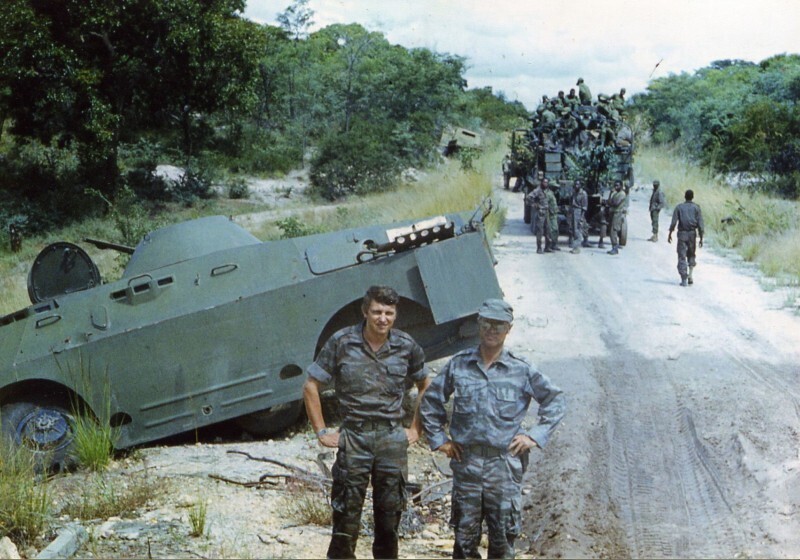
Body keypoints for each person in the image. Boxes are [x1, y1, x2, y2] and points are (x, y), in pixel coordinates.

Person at [420, 299, 566, 560]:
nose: (492, 329)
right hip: (467, 462)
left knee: (502, 539)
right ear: (478, 325)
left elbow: (555, 400)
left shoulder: (521, 368)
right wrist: (440, 440)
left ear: (509, 328)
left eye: (499, 324)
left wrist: (534, 435)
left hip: (504, 464)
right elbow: (431, 401)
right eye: (487, 323)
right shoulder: (459, 364)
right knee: (464, 539)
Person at [303, 285, 430, 559]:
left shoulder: (406, 345)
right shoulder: (342, 341)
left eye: (388, 312)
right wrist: (321, 430)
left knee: (389, 517)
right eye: (376, 312)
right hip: (354, 438)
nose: (382, 318)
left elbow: (425, 385)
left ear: (395, 315)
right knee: (346, 515)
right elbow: (311, 385)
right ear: (365, 312)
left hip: (391, 440)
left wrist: (416, 428)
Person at [668, 189, 705, 286]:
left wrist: (670, 233)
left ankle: (684, 278)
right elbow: (701, 224)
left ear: (685, 196)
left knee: (682, 256)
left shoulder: (679, 207)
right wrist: (701, 237)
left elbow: (673, 222)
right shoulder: (697, 208)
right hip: (692, 234)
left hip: (682, 234)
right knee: (691, 254)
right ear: (692, 197)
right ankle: (690, 276)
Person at [526, 179, 548, 253]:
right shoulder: (537, 190)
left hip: (547, 212)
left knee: (548, 230)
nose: (545, 184)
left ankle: (547, 247)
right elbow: (529, 197)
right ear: (541, 183)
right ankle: (539, 248)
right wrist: (534, 205)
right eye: (544, 182)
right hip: (541, 213)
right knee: (540, 231)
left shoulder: (547, 191)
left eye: (547, 182)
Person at [606, 180, 626, 255]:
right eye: (615, 185)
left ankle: (615, 248)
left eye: (617, 185)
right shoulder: (615, 194)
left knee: (613, 231)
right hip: (614, 213)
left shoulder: (622, 194)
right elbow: (609, 201)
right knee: (612, 231)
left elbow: (615, 203)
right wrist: (610, 193)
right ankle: (614, 247)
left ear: (621, 186)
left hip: (617, 214)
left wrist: (610, 203)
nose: (616, 187)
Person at [569, 180, 588, 254]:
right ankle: (575, 247)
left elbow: (584, 207)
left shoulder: (583, 194)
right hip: (573, 211)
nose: (576, 186)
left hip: (579, 212)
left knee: (578, 230)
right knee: (573, 229)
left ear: (580, 185)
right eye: (575, 184)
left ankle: (577, 248)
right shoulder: (574, 192)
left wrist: (581, 217)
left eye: (578, 184)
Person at [545, 181, 560, 252]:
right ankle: (548, 246)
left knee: (555, 230)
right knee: (550, 231)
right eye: (555, 187)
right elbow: (545, 204)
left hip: (554, 215)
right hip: (550, 215)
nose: (556, 188)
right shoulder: (549, 194)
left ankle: (554, 245)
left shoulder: (552, 194)